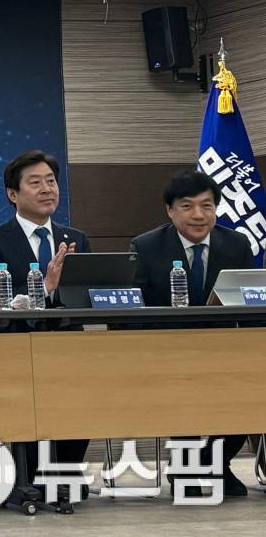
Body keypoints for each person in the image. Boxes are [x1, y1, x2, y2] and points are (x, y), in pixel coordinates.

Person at [0, 150, 90, 508]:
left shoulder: (75, 239)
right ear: (13, 194)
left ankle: (65, 471)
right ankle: (31, 477)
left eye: (51, 181)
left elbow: (87, 297)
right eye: (35, 183)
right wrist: (46, 287)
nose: (46, 189)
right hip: (14, 348)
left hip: (67, 348)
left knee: (85, 388)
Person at [132, 169, 255, 498]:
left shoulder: (237, 244)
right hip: (167, 351)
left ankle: (214, 461)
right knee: (181, 390)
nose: (199, 215)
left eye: (207, 205)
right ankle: (186, 466)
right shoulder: (146, 246)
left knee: (253, 386)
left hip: (226, 350)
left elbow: (251, 300)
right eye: (187, 206)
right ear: (170, 211)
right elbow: (135, 308)